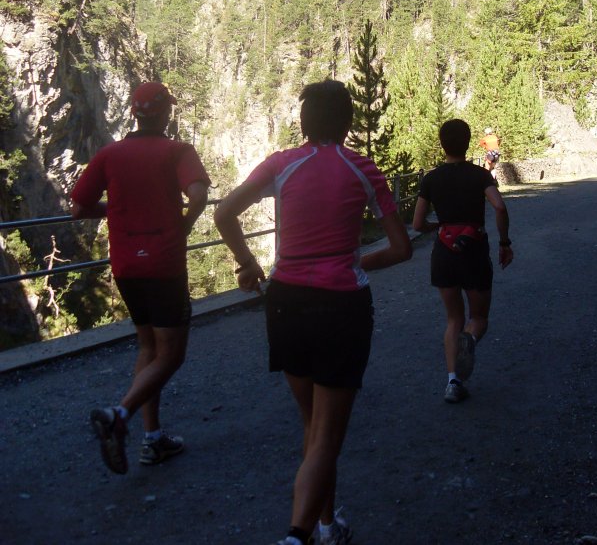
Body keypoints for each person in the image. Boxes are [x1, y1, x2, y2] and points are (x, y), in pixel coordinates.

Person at [213, 80, 412, 545]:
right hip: (341, 305)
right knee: (325, 435)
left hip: (285, 301)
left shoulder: (281, 163)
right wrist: (356, 262)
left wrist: (248, 264)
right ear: (347, 123)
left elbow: (224, 214)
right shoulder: (363, 168)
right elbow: (402, 248)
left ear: (303, 123)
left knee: (313, 426)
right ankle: (297, 534)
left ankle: (326, 525)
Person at [70, 81, 210, 475]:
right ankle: (119, 415)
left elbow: (78, 208)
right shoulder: (177, 151)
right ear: (165, 113)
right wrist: (182, 227)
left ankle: (152, 439)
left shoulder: (110, 154)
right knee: (172, 355)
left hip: (126, 266)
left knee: (148, 347)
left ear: (134, 113)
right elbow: (198, 195)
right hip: (164, 264)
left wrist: (115, 209)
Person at [412, 119, 513, 404]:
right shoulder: (480, 175)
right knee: (478, 318)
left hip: (444, 252)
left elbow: (417, 224)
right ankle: (469, 338)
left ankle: (453, 382)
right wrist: (505, 243)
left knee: (453, 318)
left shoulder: (430, 179)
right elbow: (499, 207)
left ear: (442, 144)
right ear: (468, 143)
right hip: (473, 250)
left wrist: (437, 227)